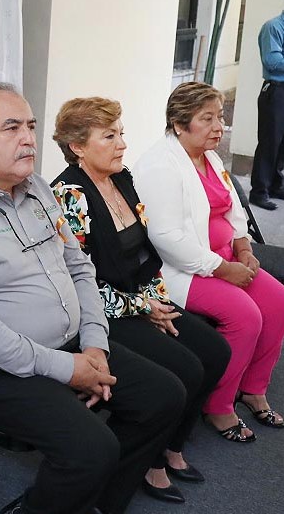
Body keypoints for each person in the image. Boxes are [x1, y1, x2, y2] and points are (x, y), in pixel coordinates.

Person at [0, 82, 185, 514]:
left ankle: (96, 503)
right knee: (92, 449)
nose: (28, 139)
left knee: (164, 396)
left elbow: (80, 268)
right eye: (11, 128)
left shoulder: (36, 188)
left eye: (31, 126)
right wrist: (69, 370)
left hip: (71, 345)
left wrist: (95, 345)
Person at [50, 97, 230, 505]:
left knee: (215, 351)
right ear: (78, 147)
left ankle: (167, 449)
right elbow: (78, 284)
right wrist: (143, 309)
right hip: (101, 312)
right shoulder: (68, 195)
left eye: (121, 133)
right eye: (109, 136)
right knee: (184, 369)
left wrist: (156, 304)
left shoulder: (122, 178)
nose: (122, 144)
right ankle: (136, 466)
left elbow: (145, 259)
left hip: (140, 300)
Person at [134, 82, 284, 444]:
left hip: (227, 257)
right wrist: (223, 269)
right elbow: (167, 239)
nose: (219, 127)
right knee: (245, 316)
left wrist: (244, 248)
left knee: (278, 299)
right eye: (207, 119)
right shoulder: (159, 166)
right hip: (181, 270)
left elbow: (233, 210)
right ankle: (217, 405)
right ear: (178, 124)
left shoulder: (210, 157)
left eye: (220, 117)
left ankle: (252, 389)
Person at [249, 10, 284, 210]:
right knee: (270, 142)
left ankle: (275, 185)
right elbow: (272, 61)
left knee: (282, 143)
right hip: (276, 91)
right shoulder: (273, 27)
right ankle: (259, 192)